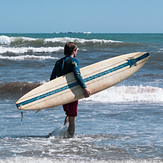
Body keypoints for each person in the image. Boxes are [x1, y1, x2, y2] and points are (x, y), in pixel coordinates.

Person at [50, 42, 90, 137]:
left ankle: (64, 134)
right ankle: (69, 140)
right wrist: (84, 87)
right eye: (76, 50)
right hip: (72, 93)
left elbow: (52, 79)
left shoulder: (58, 62)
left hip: (63, 93)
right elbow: (77, 74)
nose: (77, 52)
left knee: (68, 114)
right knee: (72, 117)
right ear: (73, 51)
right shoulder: (74, 61)